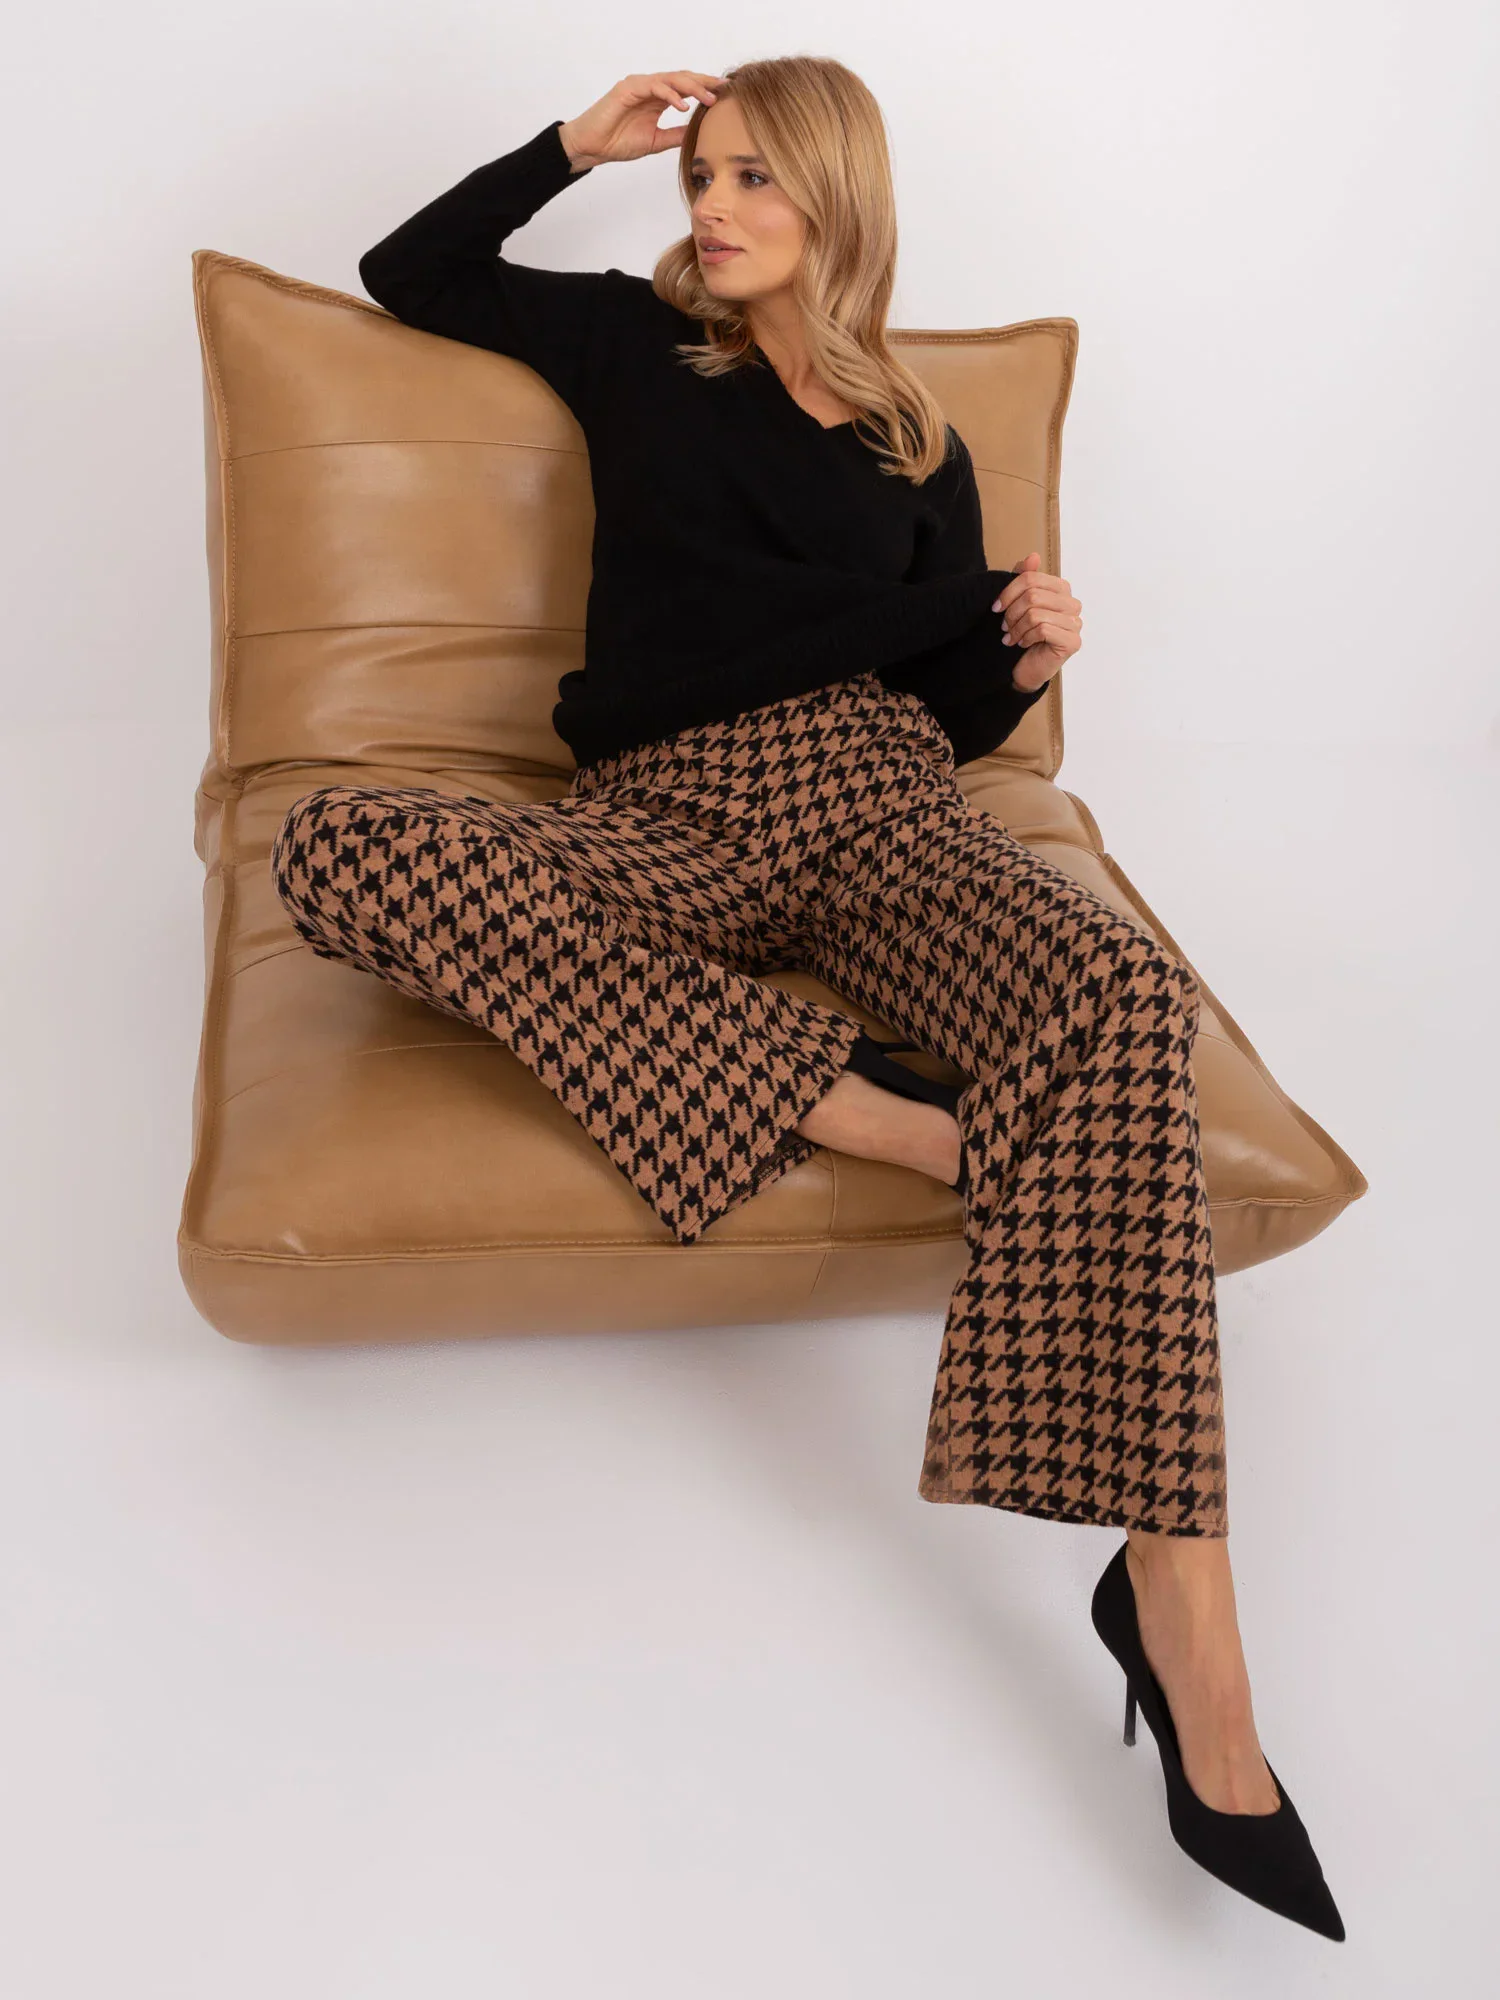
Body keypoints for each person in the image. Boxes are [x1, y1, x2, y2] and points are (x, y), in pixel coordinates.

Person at [269, 58, 1343, 1940]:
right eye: (701, 174)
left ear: (840, 191)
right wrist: (574, 146)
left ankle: (1180, 1597)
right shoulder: (634, 347)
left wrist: (1020, 660)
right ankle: (879, 1114)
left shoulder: (920, 443)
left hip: (877, 811)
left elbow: (943, 717)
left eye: (752, 176)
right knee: (346, 847)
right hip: (664, 816)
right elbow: (408, 271)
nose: (710, 205)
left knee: (1116, 991)